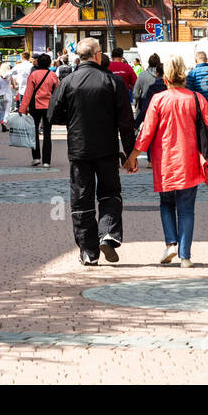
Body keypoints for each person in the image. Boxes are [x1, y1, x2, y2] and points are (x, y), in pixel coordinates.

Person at [48, 37, 136, 266]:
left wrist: (73, 118)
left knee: (82, 199)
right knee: (110, 193)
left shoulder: (68, 82)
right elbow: (126, 122)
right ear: (98, 55)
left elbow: (52, 115)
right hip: (107, 148)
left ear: (79, 57)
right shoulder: (113, 82)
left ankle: (88, 251)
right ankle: (108, 233)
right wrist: (130, 153)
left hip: (79, 149)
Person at [131, 55, 208, 267]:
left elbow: (146, 132)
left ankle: (171, 243)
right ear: (184, 75)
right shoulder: (197, 98)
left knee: (166, 204)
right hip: (190, 161)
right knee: (187, 209)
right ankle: (185, 256)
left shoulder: (158, 99)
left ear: (165, 77)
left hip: (165, 162)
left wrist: (132, 156)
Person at [18, 52, 59, 167]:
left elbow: (28, 93)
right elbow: (57, 93)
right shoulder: (52, 75)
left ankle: (36, 158)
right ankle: (47, 161)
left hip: (35, 106)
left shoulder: (33, 75)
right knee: (47, 134)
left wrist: (22, 108)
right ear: (49, 63)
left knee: (34, 131)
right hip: (49, 107)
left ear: (38, 62)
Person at [184, 50, 208, 123]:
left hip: (198, 106)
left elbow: (189, 91)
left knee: (199, 130)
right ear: (207, 60)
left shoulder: (193, 73)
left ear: (196, 60)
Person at [134, 59, 166, 134]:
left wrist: (135, 125)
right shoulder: (170, 87)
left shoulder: (143, 76)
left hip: (150, 114)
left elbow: (136, 93)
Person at [132, 52, 161, 121]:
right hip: (160, 106)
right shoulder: (163, 76)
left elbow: (135, 93)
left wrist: (137, 100)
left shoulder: (142, 75)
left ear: (149, 63)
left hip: (144, 105)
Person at [0, 60, 14, 132]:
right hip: (8, 95)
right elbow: (14, 86)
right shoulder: (10, 77)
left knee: (3, 110)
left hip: (1, 95)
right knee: (7, 111)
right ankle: (4, 121)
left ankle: (3, 123)